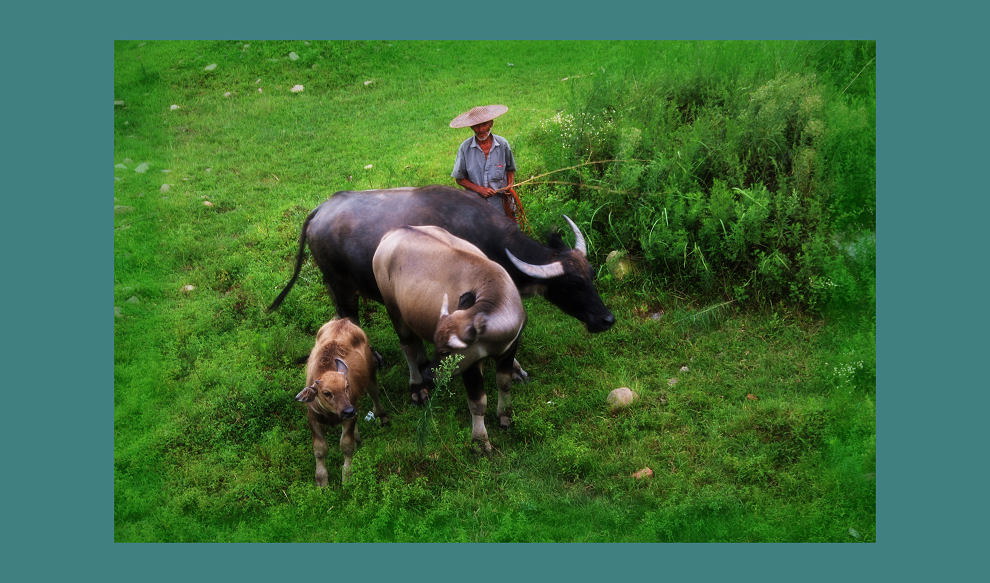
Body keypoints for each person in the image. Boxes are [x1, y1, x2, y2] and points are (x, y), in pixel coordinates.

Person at [450, 104, 524, 223]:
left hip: (501, 204)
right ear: (471, 127)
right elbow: (460, 179)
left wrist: (510, 185)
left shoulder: (503, 144)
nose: (481, 130)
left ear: (491, 123)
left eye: (484, 125)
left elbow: (510, 169)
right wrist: (480, 190)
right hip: (476, 205)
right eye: (476, 126)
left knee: (508, 234)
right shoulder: (465, 148)